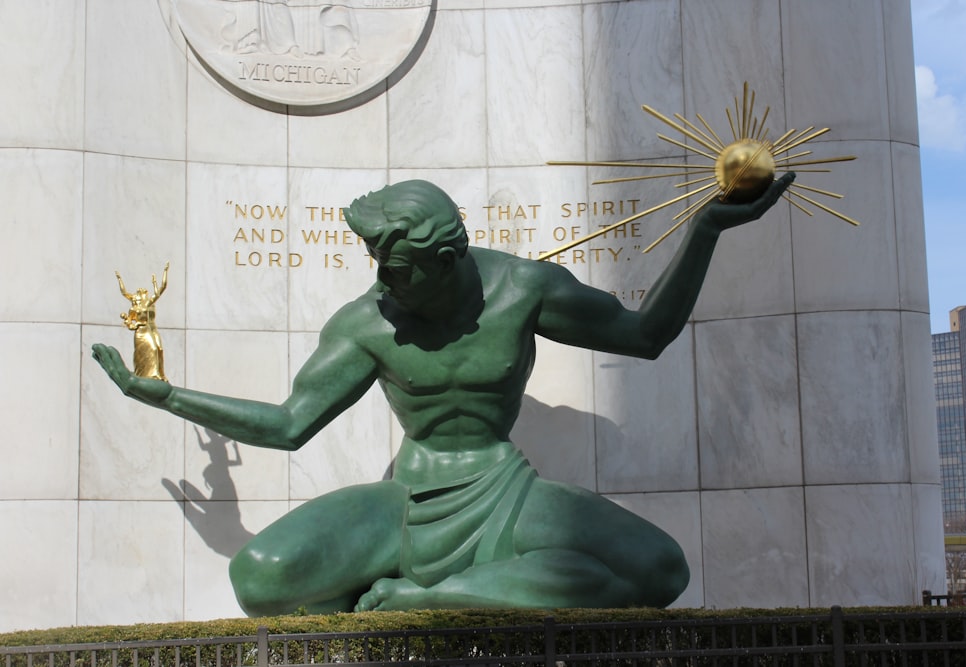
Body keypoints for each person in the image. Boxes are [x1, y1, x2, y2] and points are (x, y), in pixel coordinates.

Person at [92, 174, 793, 614]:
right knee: (259, 577)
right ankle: (457, 592)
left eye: (396, 272)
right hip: (406, 506)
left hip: (507, 495)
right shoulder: (368, 321)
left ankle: (434, 597)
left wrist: (705, 230)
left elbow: (645, 334)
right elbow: (288, 423)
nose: (382, 285)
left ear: (447, 261)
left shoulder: (524, 290)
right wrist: (166, 394)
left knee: (661, 567)